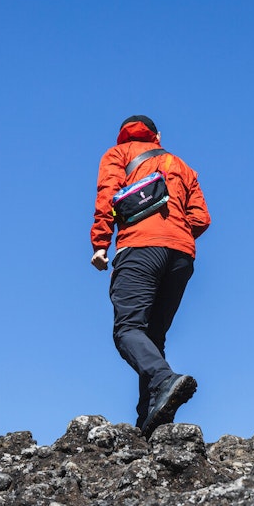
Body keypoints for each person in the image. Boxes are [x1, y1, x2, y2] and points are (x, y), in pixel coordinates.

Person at [90, 115, 211, 438]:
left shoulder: (119, 155)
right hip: (182, 256)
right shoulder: (182, 165)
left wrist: (100, 244)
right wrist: (176, 233)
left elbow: (107, 198)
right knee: (154, 337)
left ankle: (163, 380)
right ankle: (150, 420)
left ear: (122, 135)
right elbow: (201, 217)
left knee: (128, 329)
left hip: (141, 248)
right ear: (157, 135)